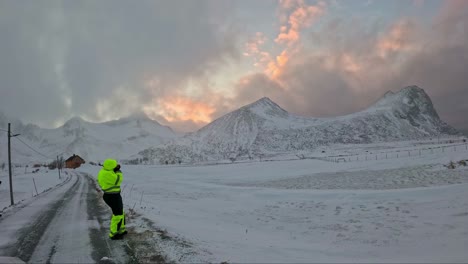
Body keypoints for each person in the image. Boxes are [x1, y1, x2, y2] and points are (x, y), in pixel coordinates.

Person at [97, 159, 127, 240]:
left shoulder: (105, 171)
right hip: (112, 197)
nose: (116, 166)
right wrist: (118, 171)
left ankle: (121, 229)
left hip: (113, 195)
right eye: (115, 165)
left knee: (121, 213)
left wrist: (114, 169)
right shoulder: (107, 174)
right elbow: (118, 180)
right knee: (117, 215)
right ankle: (113, 234)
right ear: (110, 166)